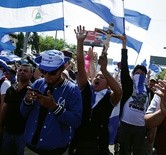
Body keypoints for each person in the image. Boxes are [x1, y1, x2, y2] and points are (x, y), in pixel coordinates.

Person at [69, 25, 122, 155]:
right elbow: (81, 68)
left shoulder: (110, 97)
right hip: (78, 142)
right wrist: (80, 42)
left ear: (108, 83)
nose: (97, 77)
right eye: (96, 76)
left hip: (98, 146)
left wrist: (104, 70)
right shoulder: (86, 89)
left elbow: (119, 92)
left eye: (102, 77)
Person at [20, 50, 82, 155]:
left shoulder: (72, 90)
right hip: (31, 149)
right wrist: (27, 101)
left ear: (62, 68)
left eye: (52, 72)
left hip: (57, 152)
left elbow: (76, 122)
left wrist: (55, 107)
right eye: (43, 71)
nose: (47, 76)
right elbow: (23, 113)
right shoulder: (38, 84)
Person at [118, 35, 150, 155]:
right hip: (125, 125)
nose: (140, 75)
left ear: (146, 76)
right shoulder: (128, 86)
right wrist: (124, 46)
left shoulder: (148, 90)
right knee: (123, 151)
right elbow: (125, 67)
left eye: (142, 73)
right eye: (137, 73)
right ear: (132, 75)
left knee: (137, 152)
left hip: (141, 128)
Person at [0, 64, 33, 155]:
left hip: (23, 134)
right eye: (20, 70)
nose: (22, 72)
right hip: (8, 131)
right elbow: (4, 107)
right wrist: (1, 125)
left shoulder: (32, 91)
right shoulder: (11, 89)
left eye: (25, 71)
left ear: (31, 74)